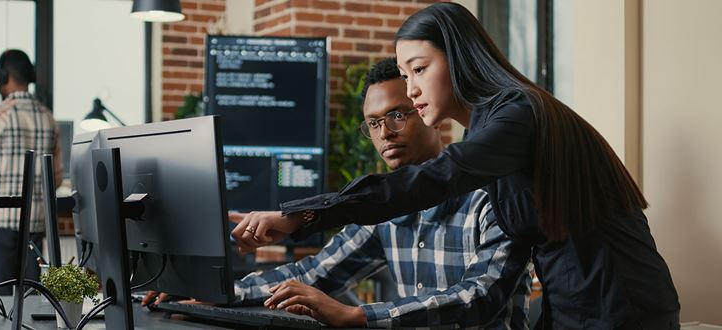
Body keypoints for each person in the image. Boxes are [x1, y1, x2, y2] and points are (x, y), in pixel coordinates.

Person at [232, 3, 680, 329]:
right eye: (405, 76)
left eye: (419, 69)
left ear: (459, 57)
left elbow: (436, 179)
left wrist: (301, 215)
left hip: (623, 311)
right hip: (572, 308)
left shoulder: (517, 113)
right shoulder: (493, 128)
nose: (410, 91)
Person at [145, 58, 534, 328]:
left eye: (398, 114)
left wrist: (357, 315)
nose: (385, 132)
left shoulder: (490, 193)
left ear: (427, 110)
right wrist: (208, 294)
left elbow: (480, 297)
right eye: (374, 123)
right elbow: (313, 273)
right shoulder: (382, 209)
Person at [0, 49, 62, 295]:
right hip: (34, 229)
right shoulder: (49, 119)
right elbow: (55, 179)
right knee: (32, 308)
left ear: (4, 78)